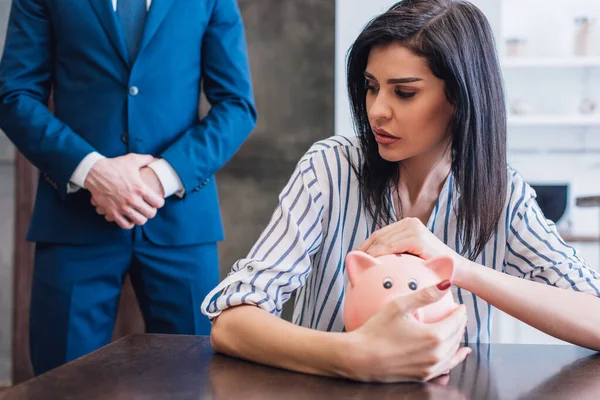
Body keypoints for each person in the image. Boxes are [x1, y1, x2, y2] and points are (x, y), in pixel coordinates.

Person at [200, 0, 600, 383]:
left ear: (460, 98)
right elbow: (232, 322)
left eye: (404, 92)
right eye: (372, 87)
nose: (376, 110)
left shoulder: (502, 194)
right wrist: (352, 356)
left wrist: (459, 268)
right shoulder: (331, 167)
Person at [0, 0, 256, 375]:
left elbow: (237, 106)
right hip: (74, 220)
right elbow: (15, 96)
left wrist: (161, 176)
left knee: (194, 379)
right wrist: (91, 171)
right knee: (63, 384)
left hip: (180, 223)